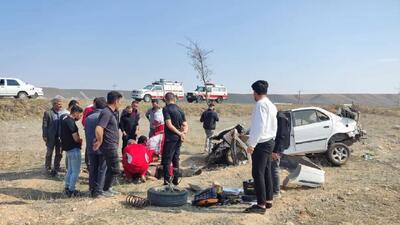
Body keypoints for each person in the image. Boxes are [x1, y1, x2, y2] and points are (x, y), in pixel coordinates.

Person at [244, 80, 278, 214]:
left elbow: (259, 127)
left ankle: (260, 205)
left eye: (253, 92)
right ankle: (268, 200)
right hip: (270, 141)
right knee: (266, 171)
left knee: (258, 173)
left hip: (261, 143)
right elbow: (274, 125)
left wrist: (251, 144)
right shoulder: (271, 104)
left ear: (255, 92)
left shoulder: (260, 105)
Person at [93, 91, 123, 197]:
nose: (121, 103)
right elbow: (99, 128)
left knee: (111, 169)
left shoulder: (110, 112)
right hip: (109, 146)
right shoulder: (106, 112)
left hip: (111, 145)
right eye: (120, 101)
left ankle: (107, 188)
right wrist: (100, 141)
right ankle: (104, 190)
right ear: (116, 101)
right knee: (115, 169)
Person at [161, 92, 188, 185]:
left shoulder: (166, 109)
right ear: (174, 99)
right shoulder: (180, 109)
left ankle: (167, 182)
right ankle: (175, 180)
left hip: (171, 138)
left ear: (166, 99)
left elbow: (169, 124)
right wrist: (183, 133)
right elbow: (185, 124)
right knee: (176, 159)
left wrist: (180, 133)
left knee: (167, 160)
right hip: (178, 139)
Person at [85, 97, 108, 198]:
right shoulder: (105, 117)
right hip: (102, 147)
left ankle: (91, 189)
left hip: (90, 147)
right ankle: (98, 191)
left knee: (92, 168)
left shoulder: (88, 118)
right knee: (102, 169)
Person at [61, 105, 84, 197]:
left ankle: (67, 187)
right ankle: (71, 190)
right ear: (75, 113)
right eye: (80, 115)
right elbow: (75, 138)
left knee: (70, 170)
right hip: (73, 148)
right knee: (75, 171)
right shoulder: (70, 122)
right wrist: (80, 140)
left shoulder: (65, 119)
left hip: (68, 149)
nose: (80, 117)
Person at [42, 98, 65, 176]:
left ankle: (56, 167)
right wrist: (44, 135)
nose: (60, 105)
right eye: (59, 104)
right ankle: (48, 167)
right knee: (49, 153)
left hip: (60, 137)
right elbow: (45, 125)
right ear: (54, 104)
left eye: (61, 104)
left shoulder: (63, 113)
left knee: (59, 153)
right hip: (50, 137)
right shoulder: (48, 113)